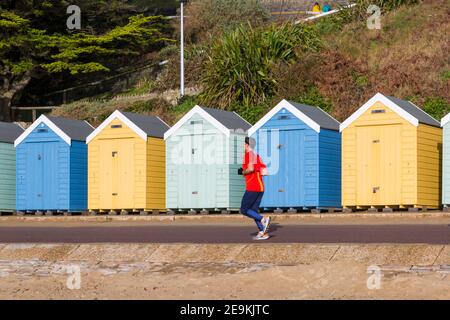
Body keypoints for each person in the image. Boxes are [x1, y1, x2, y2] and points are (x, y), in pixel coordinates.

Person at [238, 137, 271, 240]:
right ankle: (262, 232)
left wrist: (242, 172)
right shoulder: (257, 157)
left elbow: (251, 169)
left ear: (247, 145)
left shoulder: (248, 155)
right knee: (253, 210)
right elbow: (265, 171)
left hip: (252, 187)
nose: (243, 146)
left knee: (244, 209)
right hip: (260, 187)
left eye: (244, 144)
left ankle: (263, 219)